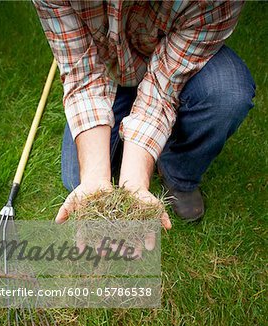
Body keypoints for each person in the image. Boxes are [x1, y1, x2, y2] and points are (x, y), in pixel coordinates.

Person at [33, 0, 255, 228]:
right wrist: (94, 177)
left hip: (174, 71)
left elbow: (162, 87)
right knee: (76, 178)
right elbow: (84, 78)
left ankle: (177, 172)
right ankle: (137, 127)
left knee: (228, 93)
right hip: (110, 74)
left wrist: (135, 182)